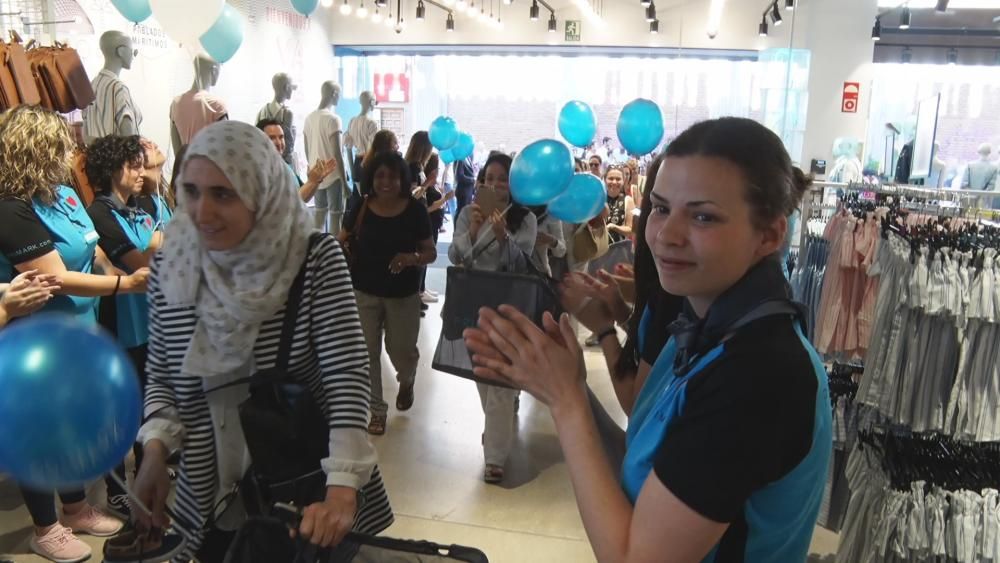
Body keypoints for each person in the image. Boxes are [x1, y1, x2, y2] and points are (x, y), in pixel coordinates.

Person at [464, 117, 831, 562]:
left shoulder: (759, 373)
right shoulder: (705, 328)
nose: (665, 236)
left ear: (770, 235)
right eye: (660, 208)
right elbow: (649, 470)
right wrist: (569, 382)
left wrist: (565, 401)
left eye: (702, 216)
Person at [132, 121, 394, 561]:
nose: (202, 211)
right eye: (192, 191)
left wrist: (343, 487)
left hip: (307, 494)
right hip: (210, 493)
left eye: (224, 193)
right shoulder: (172, 270)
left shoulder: (311, 259)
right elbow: (162, 376)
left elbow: (345, 376)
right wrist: (155, 450)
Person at [0, 105, 149, 562]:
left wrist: (113, 275)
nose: (72, 150)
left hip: (79, 331)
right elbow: (53, 276)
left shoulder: (63, 194)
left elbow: (94, 249)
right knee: (41, 427)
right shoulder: (11, 208)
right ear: (38, 148)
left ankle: (76, 508)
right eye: (62, 143)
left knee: (70, 422)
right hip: (37, 337)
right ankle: (44, 527)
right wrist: (124, 284)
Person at [448, 152, 537, 483]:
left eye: (503, 179)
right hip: (471, 304)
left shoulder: (524, 219)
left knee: (497, 377)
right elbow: (458, 257)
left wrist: (503, 236)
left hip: (508, 306)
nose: (495, 184)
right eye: (490, 178)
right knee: (483, 375)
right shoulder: (467, 213)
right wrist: (472, 231)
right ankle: (500, 419)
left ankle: (495, 456)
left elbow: (523, 263)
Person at [338, 151, 436, 436]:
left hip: (403, 295)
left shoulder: (415, 210)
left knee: (402, 351)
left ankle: (407, 381)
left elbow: (429, 252)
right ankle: (376, 410)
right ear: (371, 178)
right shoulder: (362, 205)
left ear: (402, 178)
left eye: (392, 176)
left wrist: (410, 258)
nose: (386, 181)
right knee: (367, 353)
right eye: (380, 175)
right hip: (363, 292)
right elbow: (341, 239)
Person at [257, 118, 337, 202]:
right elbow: (290, 203)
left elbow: (303, 198)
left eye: (281, 137)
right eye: (271, 138)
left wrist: (316, 180)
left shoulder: (285, 165)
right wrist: (312, 181)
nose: (278, 143)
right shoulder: (261, 171)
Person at [529, 205, 566, 277]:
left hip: (540, 272)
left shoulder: (552, 216)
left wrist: (551, 240)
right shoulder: (514, 209)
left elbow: (561, 252)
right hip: (514, 270)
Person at [604, 166, 635, 243]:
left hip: (618, 251)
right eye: (611, 178)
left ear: (623, 181)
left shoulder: (628, 200)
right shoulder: (598, 199)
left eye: (618, 179)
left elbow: (631, 229)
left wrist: (613, 227)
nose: (614, 182)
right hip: (599, 251)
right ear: (605, 180)